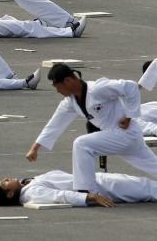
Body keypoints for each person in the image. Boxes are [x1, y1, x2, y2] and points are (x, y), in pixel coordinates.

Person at [26, 63, 157, 194]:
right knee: (152, 165)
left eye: (57, 86)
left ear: (68, 80)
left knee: (81, 144)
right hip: (119, 136)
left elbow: (130, 87)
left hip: (125, 134)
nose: (57, 91)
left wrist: (129, 116)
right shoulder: (70, 102)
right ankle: (87, 191)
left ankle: (87, 191)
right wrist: (35, 148)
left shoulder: (97, 89)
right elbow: (55, 124)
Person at [0, 170, 157, 208]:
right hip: (104, 187)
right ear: (9, 194)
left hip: (99, 179)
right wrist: (91, 197)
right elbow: (60, 196)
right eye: (5, 183)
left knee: (147, 185)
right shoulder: (32, 193)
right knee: (148, 188)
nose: (6, 179)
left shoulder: (26, 186)